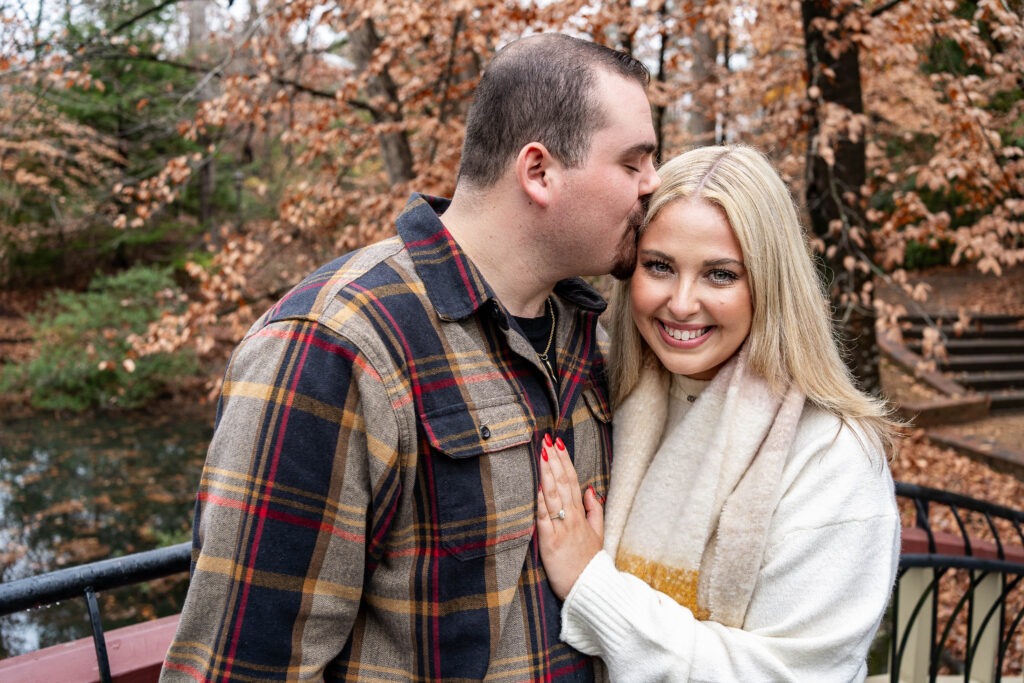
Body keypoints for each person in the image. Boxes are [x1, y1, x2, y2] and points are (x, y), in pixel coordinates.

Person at [160, 33, 661, 682]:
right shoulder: (333, 346)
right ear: (539, 172)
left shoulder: (590, 339)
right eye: (633, 162)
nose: (653, 183)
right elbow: (242, 669)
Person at [535, 144, 902, 682]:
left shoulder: (833, 456)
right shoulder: (603, 399)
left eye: (721, 275)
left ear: (770, 286)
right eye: (659, 266)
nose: (682, 303)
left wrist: (593, 586)